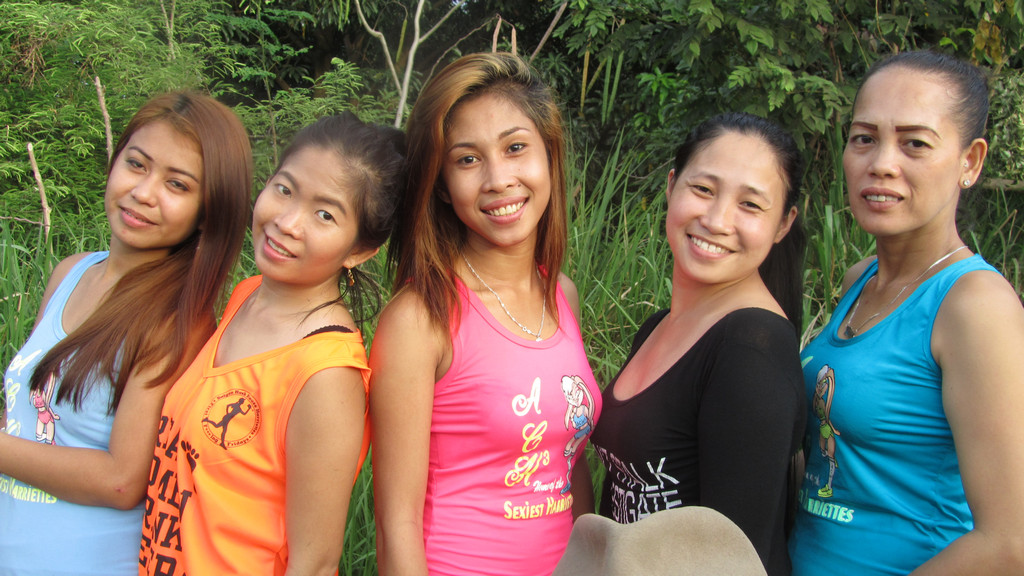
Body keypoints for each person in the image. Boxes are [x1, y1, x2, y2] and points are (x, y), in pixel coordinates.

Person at [138, 113, 406, 576]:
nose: (286, 222)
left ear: (359, 251)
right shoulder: (246, 296)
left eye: (325, 215)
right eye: (284, 189)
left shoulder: (325, 374)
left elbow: (314, 564)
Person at [788, 50, 1024, 575]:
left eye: (915, 143)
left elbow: (1010, 543)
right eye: (864, 138)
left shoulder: (974, 307)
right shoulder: (861, 279)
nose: (881, 163)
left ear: (970, 162)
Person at [370, 52, 602, 576]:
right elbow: (395, 525)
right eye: (468, 160)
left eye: (515, 148)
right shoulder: (419, 318)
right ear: (441, 185)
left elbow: (569, 465)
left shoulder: (561, 295)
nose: (498, 179)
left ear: (549, 155)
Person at [0, 92, 252, 574]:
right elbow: (24, 420)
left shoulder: (177, 320)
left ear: (208, 211)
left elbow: (122, 480)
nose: (144, 192)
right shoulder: (71, 272)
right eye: (137, 164)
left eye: (177, 184)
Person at [589, 112, 807, 576]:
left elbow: (732, 561)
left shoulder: (751, 350)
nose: (716, 220)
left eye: (751, 204)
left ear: (783, 223)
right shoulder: (657, 327)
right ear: (671, 187)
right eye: (704, 189)